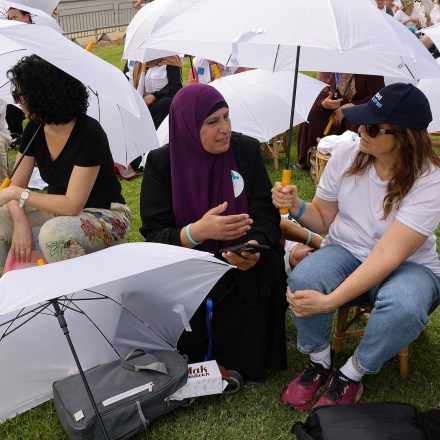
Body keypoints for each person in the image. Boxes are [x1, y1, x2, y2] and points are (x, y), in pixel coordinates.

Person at [272, 83, 440, 410]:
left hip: (410, 265)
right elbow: (322, 218)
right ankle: (319, 361)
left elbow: (387, 256)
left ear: (405, 137)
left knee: (405, 305)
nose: (361, 129)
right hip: (347, 250)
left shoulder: (430, 179)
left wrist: (330, 302)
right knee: (306, 277)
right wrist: (295, 206)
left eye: (373, 127)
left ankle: (352, 372)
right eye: (361, 121)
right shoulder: (347, 155)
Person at [140, 83, 287, 382]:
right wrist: (196, 232)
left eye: (226, 117)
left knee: (267, 265)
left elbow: (265, 215)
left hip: (240, 261)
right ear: (188, 126)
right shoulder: (161, 163)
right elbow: (154, 234)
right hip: (187, 263)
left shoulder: (244, 152)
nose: (225, 129)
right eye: (212, 122)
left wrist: (252, 246)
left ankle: (254, 357)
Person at [0, 55, 131, 275]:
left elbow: (72, 205)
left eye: (19, 95)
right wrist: (20, 220)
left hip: (105, 215)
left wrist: (18, 194)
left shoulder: (90, 134)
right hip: (57, 212)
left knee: (54, 234)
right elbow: (15, 187)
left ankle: (76, 290)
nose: (16, 101)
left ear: (43, 95)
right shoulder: (35, 129)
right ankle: (9, 289)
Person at [295, 73, 384, 169]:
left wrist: (351, 106)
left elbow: (377, 98)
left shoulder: (371, 71)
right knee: (312, 111)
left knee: (357, 121)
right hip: (334, 110)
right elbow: (320, 93)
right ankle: (308, 158)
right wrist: (324, 103)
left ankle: (352, 163)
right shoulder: (330, 67)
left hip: (359, 109)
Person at [124, 56, 183, 170]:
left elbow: (175, 86)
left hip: (166, 99)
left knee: (161, 106)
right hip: (145, 100)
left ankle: (152, 151)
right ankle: (136, 156)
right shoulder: (141, 62)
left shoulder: (171, 60)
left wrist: (154, 96)